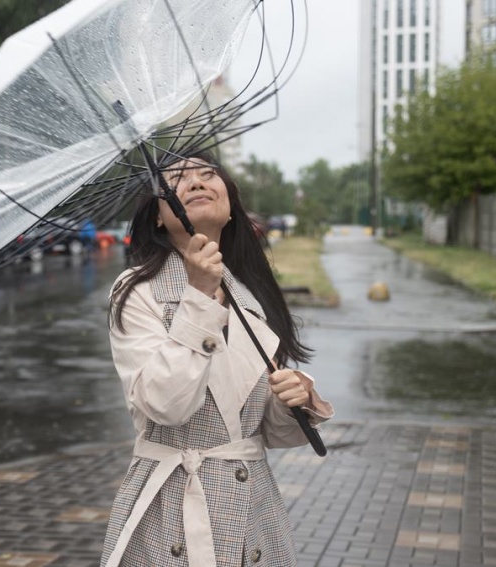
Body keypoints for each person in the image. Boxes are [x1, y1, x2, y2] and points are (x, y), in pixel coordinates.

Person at [100, 153, 334, 567]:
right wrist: (199, 299)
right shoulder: (136, 291)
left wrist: (292, 397)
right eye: (176, 179)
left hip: (253, 508)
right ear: (157, 217)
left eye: (208, 175)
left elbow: (262, 429)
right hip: (173, 505)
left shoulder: (251, 293)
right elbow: (165, 406)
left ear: (230, 208)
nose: (194, 182)